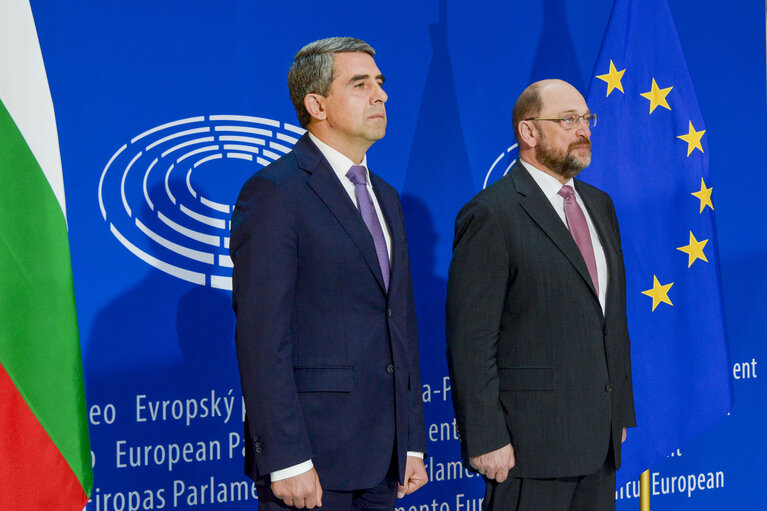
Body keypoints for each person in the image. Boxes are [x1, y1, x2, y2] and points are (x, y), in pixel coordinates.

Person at [229, 37, 427, 511]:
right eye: (360, 84)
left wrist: (411, 440)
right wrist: (287, 458)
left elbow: (398, 323)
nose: (380, 95)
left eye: (380, 83)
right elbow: (262, 337)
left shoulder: (386, 196)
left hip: (384, 459)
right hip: (313, 463)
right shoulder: (276, 192)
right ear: (316, 103)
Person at [445, 79, 636, 511]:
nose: (583, 129)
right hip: (530, 451)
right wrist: (486, 437)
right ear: (528, 133)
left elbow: (611, 317)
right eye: (568, 119)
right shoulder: (492, 213)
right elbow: (471, 340)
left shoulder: (600, 204)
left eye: (587, 119)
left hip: (599, 446)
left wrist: (619, 410)